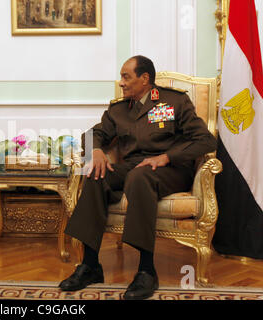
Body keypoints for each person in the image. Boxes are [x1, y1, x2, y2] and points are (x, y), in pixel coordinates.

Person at [59, 55, 217, 300]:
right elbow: (92, 134)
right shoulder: (118, 109)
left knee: (140, 177)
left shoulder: (174, 101)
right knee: (95, 175)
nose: (121, 83)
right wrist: (97, 151)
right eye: (121, 77)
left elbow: (206, 140)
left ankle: (146, 270)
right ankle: (90, 265)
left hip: (171, 169)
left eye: (126, 76)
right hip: (134, 167)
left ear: (145, 79)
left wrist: (166, 157)